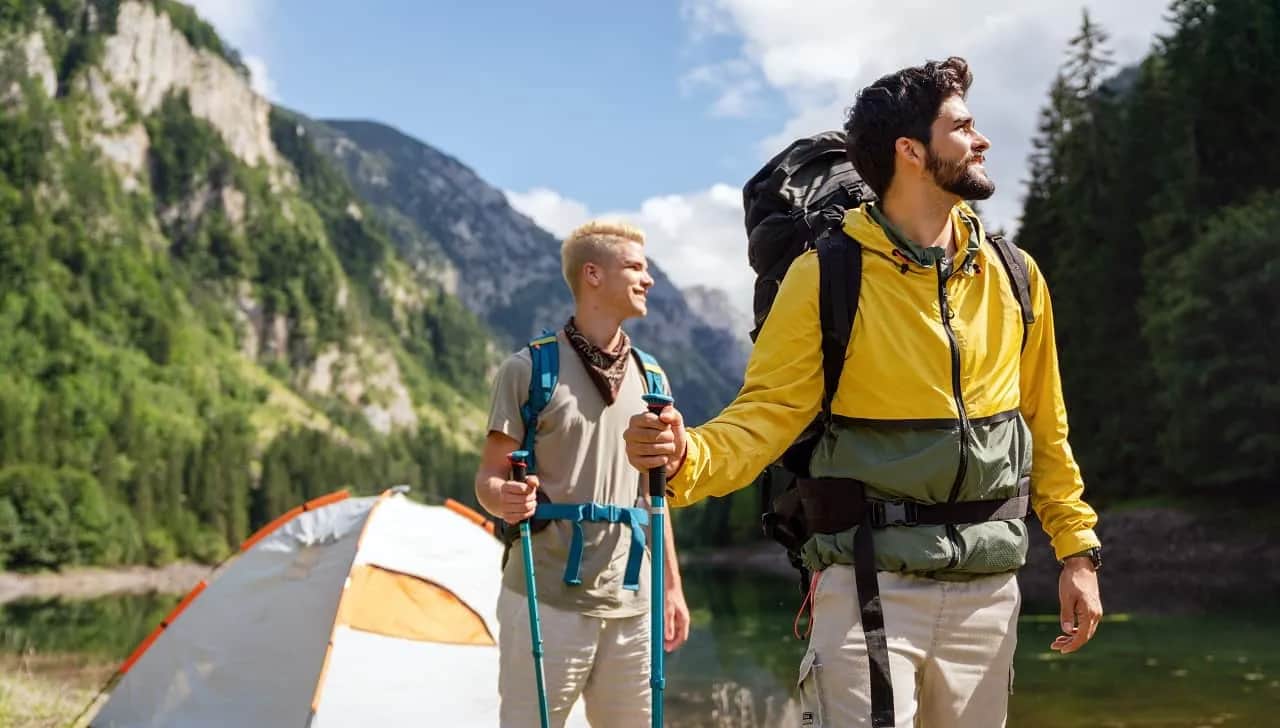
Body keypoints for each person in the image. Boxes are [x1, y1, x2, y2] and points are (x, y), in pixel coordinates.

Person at [624, 57, 1102, 727]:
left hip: (990, 593)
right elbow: (765, 417)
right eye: (961, 126)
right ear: (911, 152)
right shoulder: (825, 276)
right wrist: (682, 458)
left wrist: (1077, 552)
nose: (982, 139)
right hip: (867, 583)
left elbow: (1044, 428)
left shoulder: (1015, 276)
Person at [475, 220, 691, 728]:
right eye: (635, 267)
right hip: (545, 598)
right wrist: (504, 498)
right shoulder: (529, 369)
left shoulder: (652, 378)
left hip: (633, 605)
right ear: (592, 274)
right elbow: (488, 477)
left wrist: (673, 588)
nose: (649, 279)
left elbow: (653, 497)